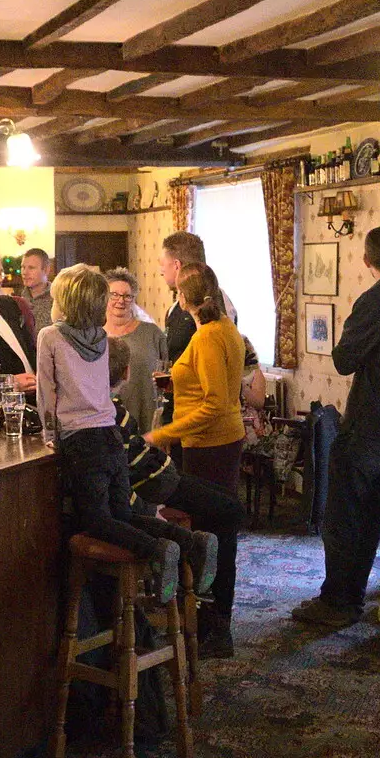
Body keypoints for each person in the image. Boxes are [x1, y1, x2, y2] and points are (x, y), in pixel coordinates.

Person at [36, 265, 213, 603]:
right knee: (124, 515)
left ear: (65, 301)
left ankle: (159, 551)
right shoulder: (101, 336)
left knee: (99, 521)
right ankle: (190, 542)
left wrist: (51, 436)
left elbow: (48, 394)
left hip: (81, 440)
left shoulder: (51, 336)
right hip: (110, 435)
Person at [292, 226, 380, 628]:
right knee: (373, 516)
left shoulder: (376, 300)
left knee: (342, 516)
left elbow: (343, 359)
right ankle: (352, 597)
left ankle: (338, 600)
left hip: (370, 423)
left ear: (367, 259)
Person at [109, 338, 244, 658]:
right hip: (151, 485)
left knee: (227, 508)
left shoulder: (106, 407)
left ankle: (202, 601)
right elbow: (143, 469)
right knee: (230, 511)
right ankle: (213, 620)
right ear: (127, 373)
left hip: (154, 477)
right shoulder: (112, 410)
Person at [144, 264, 245, 496]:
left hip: (209, 443)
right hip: (222, 439)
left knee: (208, 520)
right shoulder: (223, 326)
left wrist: (162, 434)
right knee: (219, 516)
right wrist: (175, 382)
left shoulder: (206, 337)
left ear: (182, 298)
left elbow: (215, 404)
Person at [103, 267, 168, 433]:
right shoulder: (95, 335)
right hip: (108, 421)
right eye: (114, 295)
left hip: (148, 418)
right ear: (105, 297)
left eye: (127, 296)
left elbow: (168, 373)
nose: (121, 300)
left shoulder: (152, 333)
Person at [158, 231, 236, 365]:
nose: (161, 271)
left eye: (163, 264)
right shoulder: (174, 309)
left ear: (177, 265)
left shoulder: (216, 302)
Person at [0, 246, 37, 393]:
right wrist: (8, 383)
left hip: (36, 399)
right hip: (0, 406)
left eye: (1, 272)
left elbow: (30, 347)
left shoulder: (9, 305)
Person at [19, 247, 54, 337]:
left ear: (46, 270)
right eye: (23, 267)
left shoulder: (57, 299)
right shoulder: (17, 300)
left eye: (31, 268)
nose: (25, 272)